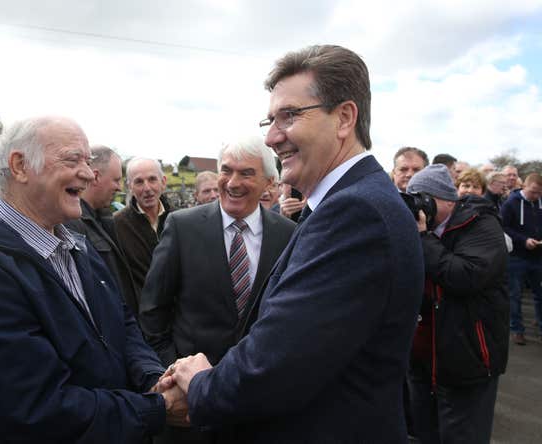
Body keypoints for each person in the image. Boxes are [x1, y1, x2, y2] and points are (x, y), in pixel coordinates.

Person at [163, 44, 424, 443]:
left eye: (289, 116)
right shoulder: (349, 204)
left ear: (344, 117)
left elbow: (275, 369)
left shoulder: (356, 213)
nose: (271, 137)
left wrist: (201, 383)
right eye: (269, 120)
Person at [0, 117, 187, 443]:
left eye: (89, 162)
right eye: (73, 159)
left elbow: (122, 326)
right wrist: (157, 408)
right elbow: (37, 409)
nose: (89, 173)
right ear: (20, 166)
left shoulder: (78, 246)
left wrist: (153, 378)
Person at [140, 136, 296, 443]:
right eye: (227, 170)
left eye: (246, 173)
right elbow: (153, 311)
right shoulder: (182, 226)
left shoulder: (289, 235)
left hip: (260, 404)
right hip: (189, 406)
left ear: (269, 181)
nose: (232, 182)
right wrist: (173, 373)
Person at [406, 164, 509, 444]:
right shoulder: (418, 230)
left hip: (468, 360)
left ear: (448, 200)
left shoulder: (481, 224)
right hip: (423, 360)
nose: (419, 205)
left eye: (424, 198)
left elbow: (465, 275)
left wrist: (423, 238)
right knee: (426, 434)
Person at [65, 145, 140, 315]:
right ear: (96, 177)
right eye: (116, 180)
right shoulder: (73, 225)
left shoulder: (104, 220)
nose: (120, 187)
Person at [114, 157, 172, 299]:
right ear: (129, 187)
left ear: (163, 182)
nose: (147, 188)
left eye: (152, 179)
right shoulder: (117, 225)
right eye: (139, 182)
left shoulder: (180, 219)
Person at [500, 173, 542, 345]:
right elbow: (504, 227)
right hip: (517, 256)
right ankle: (517, 329)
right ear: (525, 186)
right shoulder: (511, 203)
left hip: (538, 257)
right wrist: (523, 240)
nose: (536, 196)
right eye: (533, 192)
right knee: (515, 295)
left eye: (539, 193)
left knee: (540, 295)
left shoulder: (540, 202)